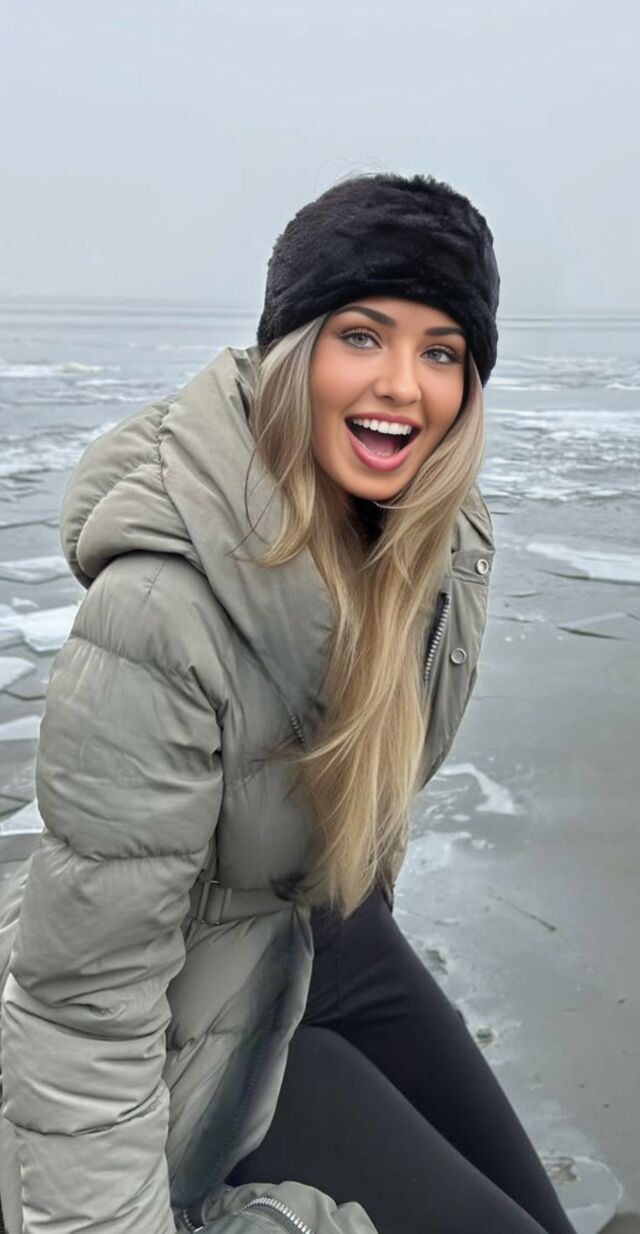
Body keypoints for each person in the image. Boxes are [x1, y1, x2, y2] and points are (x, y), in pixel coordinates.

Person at [0, 172, 576, 1234]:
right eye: (362, 335)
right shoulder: (160, 616)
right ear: (292, 350)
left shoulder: (432, 546)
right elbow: (79, 1008)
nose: (403, 385)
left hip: (320, 934)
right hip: (184, 1011)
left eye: (441, 350)